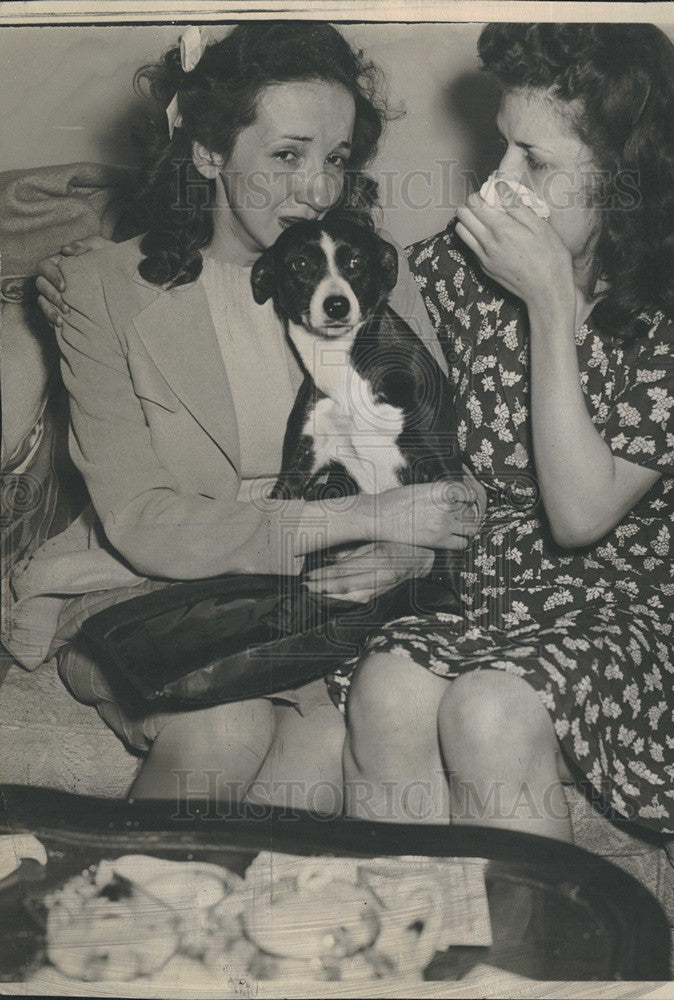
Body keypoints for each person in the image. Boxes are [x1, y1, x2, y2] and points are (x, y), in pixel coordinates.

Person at [11, 21, 481, 805]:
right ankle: (129, 917)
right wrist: (372, 517)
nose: (317, 191)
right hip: (151, 578)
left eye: (335, 160)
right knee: (225, 731)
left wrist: (409, 552)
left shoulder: (363, 271)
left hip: (320, 590)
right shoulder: (102, 290)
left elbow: (446, 469)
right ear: (207, 153)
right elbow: (142, 516)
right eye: (286, 155)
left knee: (335, 731)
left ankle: (258, 925)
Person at [329, 22, 674, 838]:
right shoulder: (453, 272)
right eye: (501, 149)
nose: (496, 187)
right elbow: (351, 388)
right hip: (493, 599)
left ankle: (545, 960)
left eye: (534, 162)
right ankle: (414, 946)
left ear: (624, 177)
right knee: (386, 687)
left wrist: (545, 304)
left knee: (489, 709)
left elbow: (579, 513)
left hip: (636, 611)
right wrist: (397, 533)